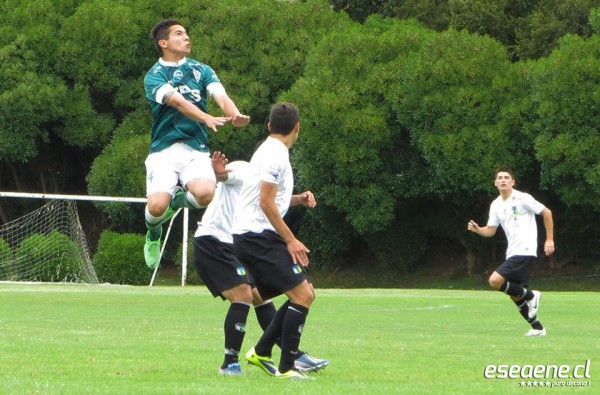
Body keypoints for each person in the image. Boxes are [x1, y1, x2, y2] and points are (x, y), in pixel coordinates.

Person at [194, 158, 328, 375]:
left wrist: (299, 199)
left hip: (236, 244)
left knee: (260, 297)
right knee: (244, 294)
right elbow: (226, 176)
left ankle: (292, 354)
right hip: (215, 240)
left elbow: (272, 201)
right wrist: (218, 173)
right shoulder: (243, 169)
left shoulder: (263, 180)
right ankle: (229, 364)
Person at [143, 19, 250, 269]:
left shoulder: (202, 70)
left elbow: (221, 96)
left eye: (187, 33)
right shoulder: (154, 75)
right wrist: (206, 117)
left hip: (196, 149)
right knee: (157, 206)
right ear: (164, 43)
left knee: (205, 194)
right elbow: (178, 102)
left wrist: (235, 115)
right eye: (179, 34)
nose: (187, 38)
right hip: (163, 151)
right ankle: (153, 232)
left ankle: (178, 202)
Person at [232, 102, 317, 379]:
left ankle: (262, 351)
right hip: (257, 236)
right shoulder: (275, 156)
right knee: (303, 294)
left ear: (268, 126)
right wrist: (291, 240)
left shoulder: (269, 150)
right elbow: (266, 203)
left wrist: (297, 199)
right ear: (297, 128)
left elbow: (271, 200)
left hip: (254, 234)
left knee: (303, 293)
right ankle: (287, 367)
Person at [467, 166, 555, 336]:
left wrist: (549, 239)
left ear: (513, 182)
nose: (503, 180)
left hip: (526, 250)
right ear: (495, 183)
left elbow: (547, 213)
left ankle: (531, 295)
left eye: (507, 177)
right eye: (499, 178)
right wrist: (478, 229)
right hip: (512, 252)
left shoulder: (522, 198)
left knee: (494, 281)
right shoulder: (496, 205)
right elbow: (491, 231)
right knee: (513, 294)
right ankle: (538, 328)